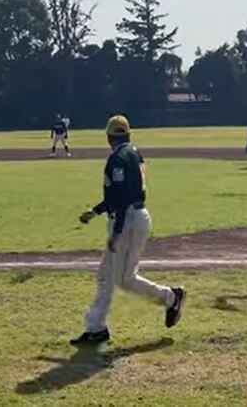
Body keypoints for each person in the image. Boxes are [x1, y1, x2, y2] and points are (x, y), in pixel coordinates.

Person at [69, 115, 186, 346]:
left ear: (109, 137)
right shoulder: (133, 152)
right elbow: (120, 195)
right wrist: (96, 210)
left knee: (111, 276)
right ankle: (171, 297)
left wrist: (117, 232)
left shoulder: (117, 159)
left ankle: (96, 328)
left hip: (128, 220)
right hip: (137, 215)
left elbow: (121, 198)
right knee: (121, 277)